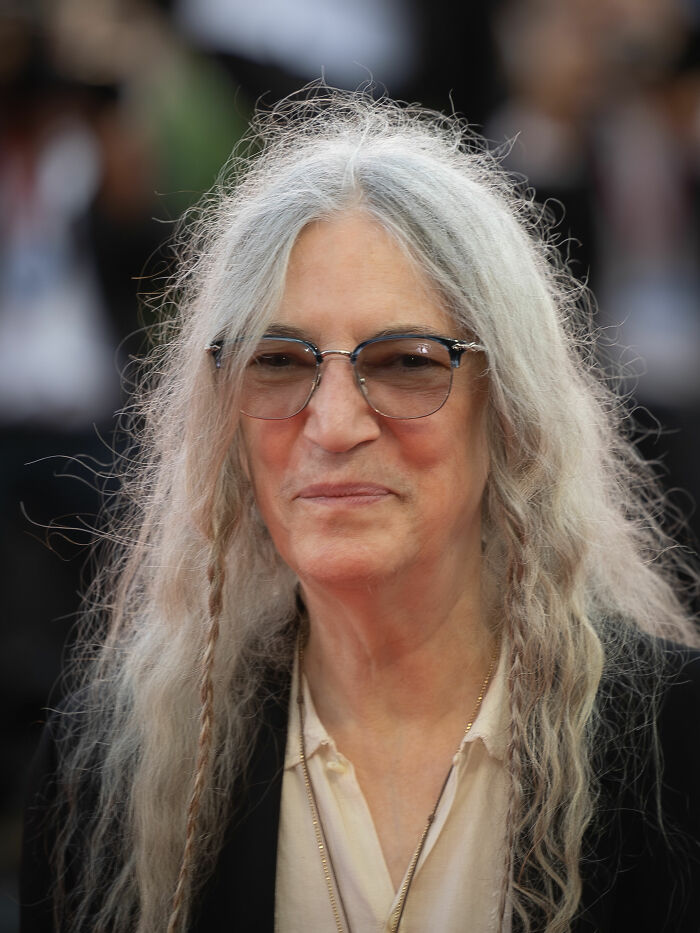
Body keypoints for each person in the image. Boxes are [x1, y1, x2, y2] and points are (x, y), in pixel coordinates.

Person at [20, 88, 700, 933]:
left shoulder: (681, 747)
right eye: (278, 361)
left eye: (408, 361)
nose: (334, 425)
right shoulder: (113, 771)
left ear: (513, 409)